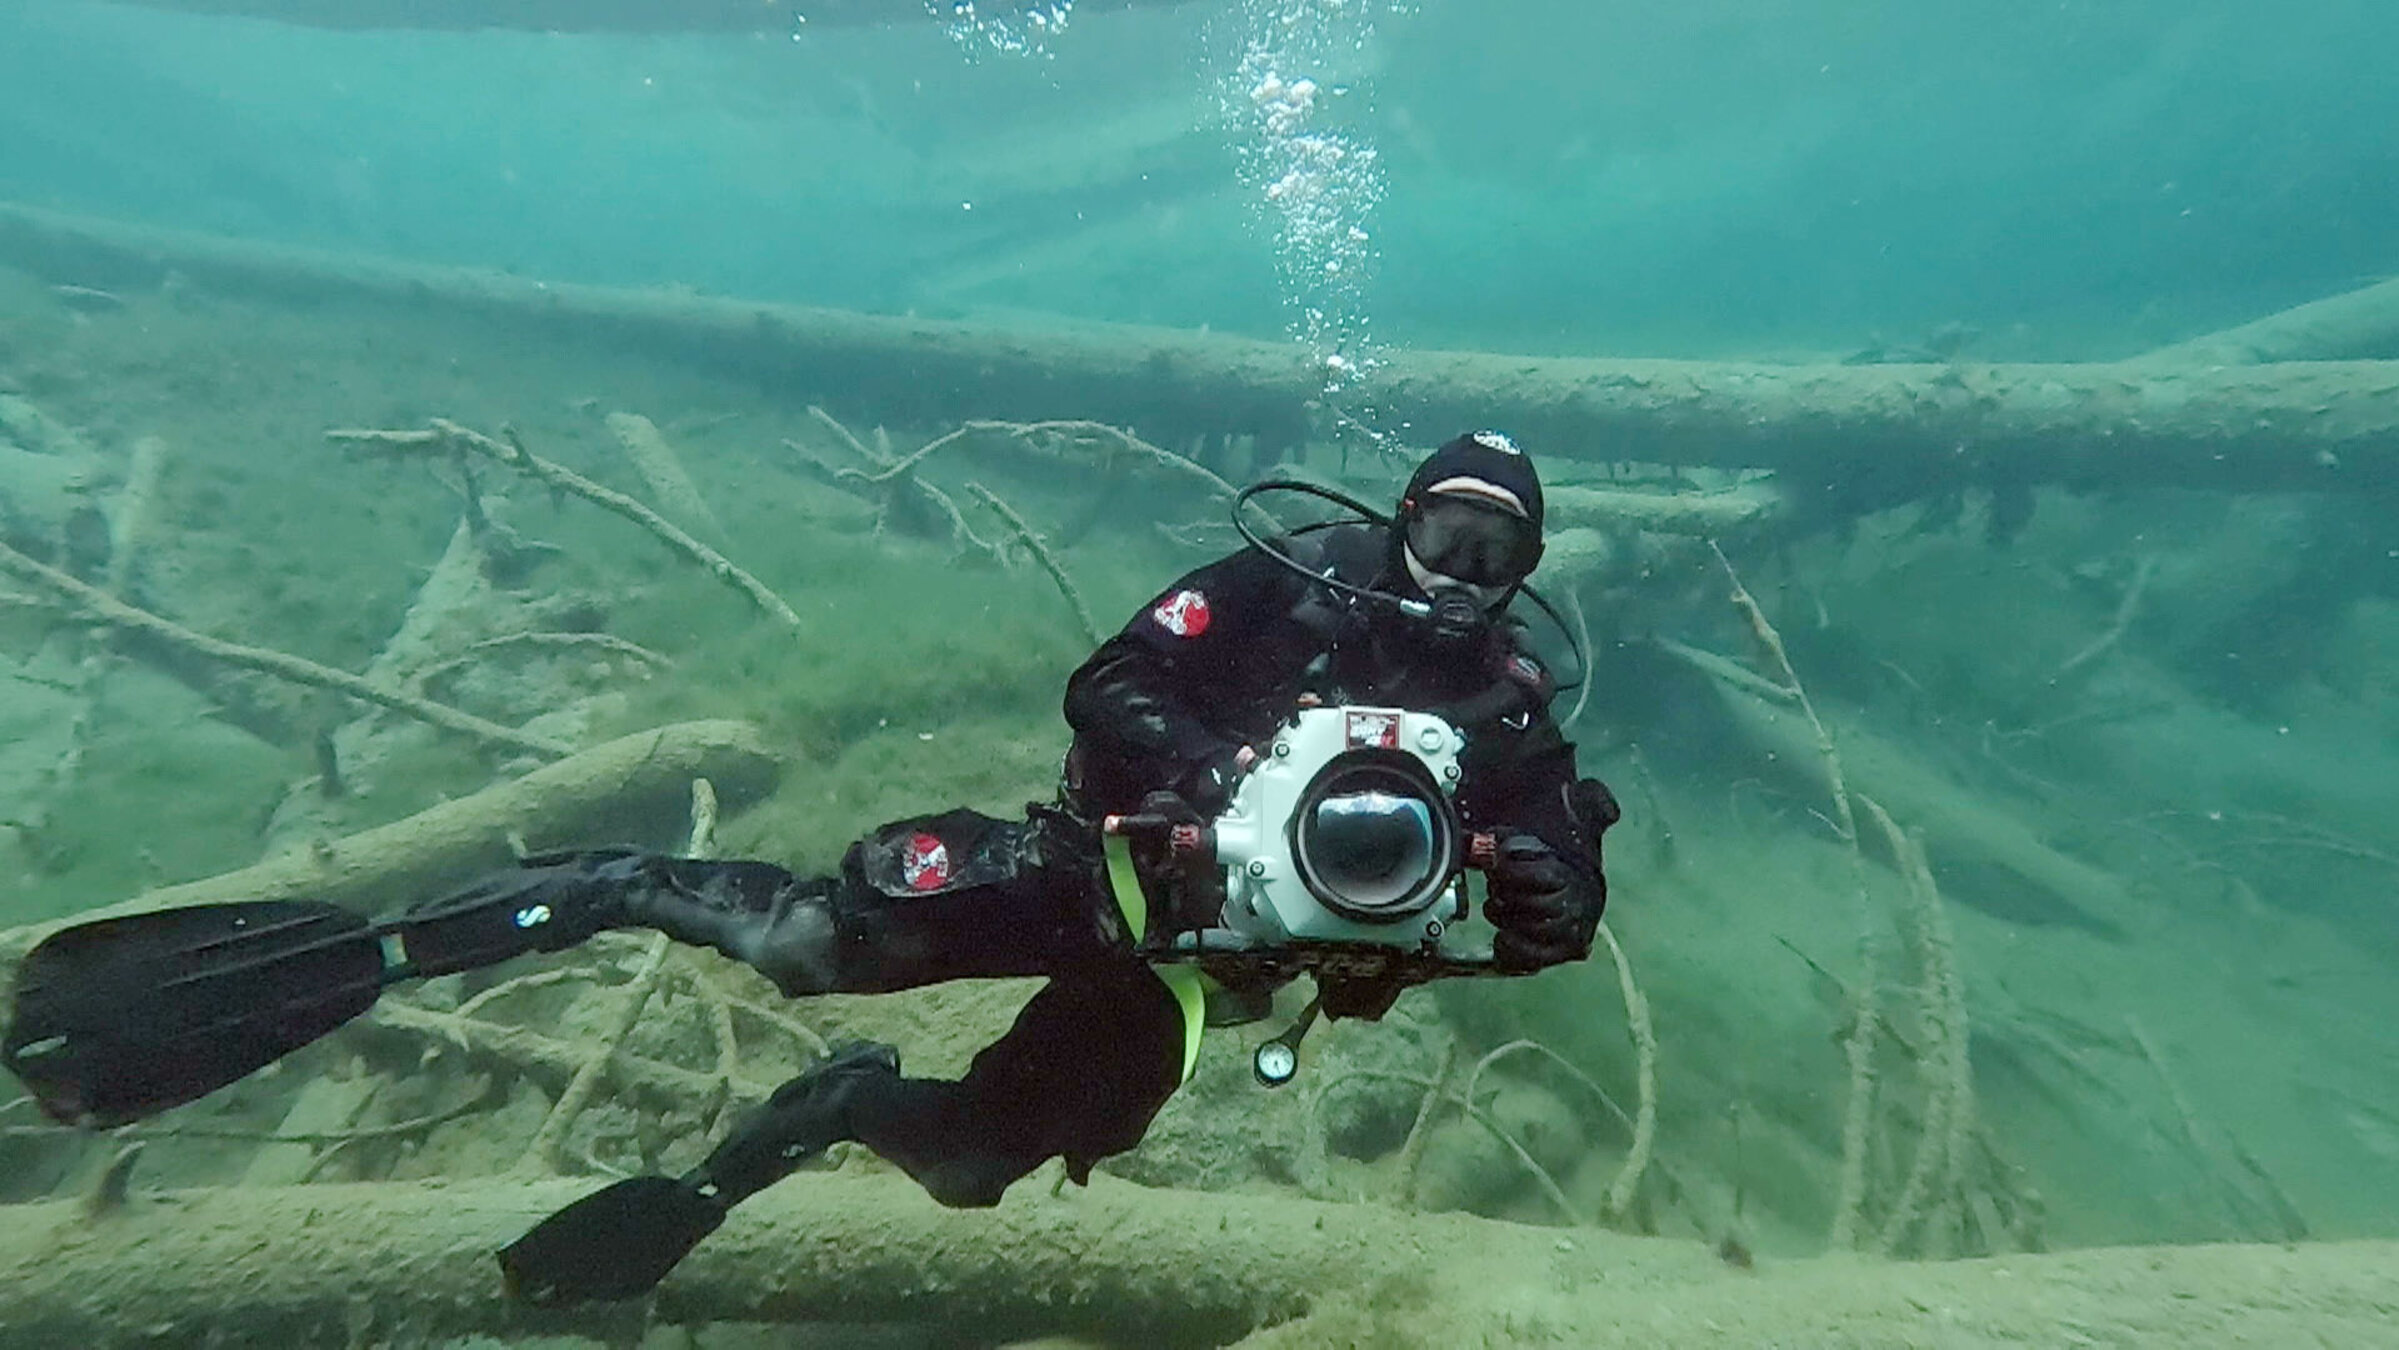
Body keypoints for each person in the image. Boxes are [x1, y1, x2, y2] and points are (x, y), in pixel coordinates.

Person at [2, 430, 1618, 1304]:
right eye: (1444, 531)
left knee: (978, 1164)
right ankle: (418, 942)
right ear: (1396, 521)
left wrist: (1555, 904)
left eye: (1498, 553)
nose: (1459, 575)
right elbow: (1107, 683)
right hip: (1081, 873)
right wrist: (1208, 778)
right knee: (789, 938)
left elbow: (1551, 875)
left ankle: (828, 1109)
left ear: (1525, 574)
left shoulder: (1509, 705)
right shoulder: (1288, 589)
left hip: (1193, 982)